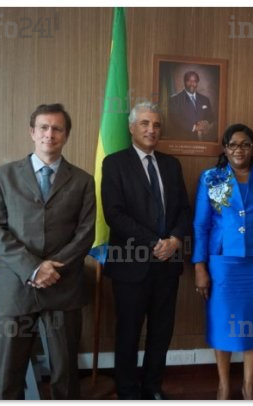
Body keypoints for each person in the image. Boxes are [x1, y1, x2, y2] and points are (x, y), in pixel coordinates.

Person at [0, 103, 95, 399]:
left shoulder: (83, 181)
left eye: (57, 128)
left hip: (64, 284)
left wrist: (51, 268)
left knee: (66, 373)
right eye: (44, 127)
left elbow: (86, 234)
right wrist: (33, 268)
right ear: (32, 132)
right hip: (18, 284)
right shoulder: (2, 176)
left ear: (66, 135)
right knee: (9, 373)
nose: (50, 134)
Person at [192, 123, 253, 400]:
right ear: (225, 148)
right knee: (222, 322)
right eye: (233, 144)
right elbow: (200, 225)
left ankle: (249, 385)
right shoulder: (211, 178)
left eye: (245, 144)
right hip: (223, 264)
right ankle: (224, 385)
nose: (239, 150)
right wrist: (199, 266)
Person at [101, 102, 190, 400]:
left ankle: (153, 387)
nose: (152, 129)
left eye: (156, 125)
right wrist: (154, 242)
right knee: (128, 331)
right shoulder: (114, 163)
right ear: (131, 127)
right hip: (130, 263)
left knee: (161, 331)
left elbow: (183, 209)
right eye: (145, 123)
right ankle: (127, 391)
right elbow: (114, 214)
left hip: (168, 263)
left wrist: (175, 240)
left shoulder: (171, 164)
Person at [167, 70, 216, 141]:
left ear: (197, 83)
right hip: (183, 140)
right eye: (189, 81)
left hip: (203, 140)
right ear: (184, 82)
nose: (192, 84)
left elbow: (210, 116)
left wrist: (206, 123)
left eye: (195, 81)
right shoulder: (175, 99)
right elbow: (175, 120)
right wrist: (194, 127)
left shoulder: (205, 99)